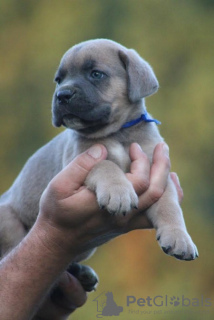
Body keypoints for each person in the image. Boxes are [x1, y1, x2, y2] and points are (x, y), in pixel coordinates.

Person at [0, 143, 183, 320]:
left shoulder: (145, 134)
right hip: (15, 221)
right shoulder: (80, 139)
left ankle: (65, 274)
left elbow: (162, 185)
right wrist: (52, 245)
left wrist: (173, 224)